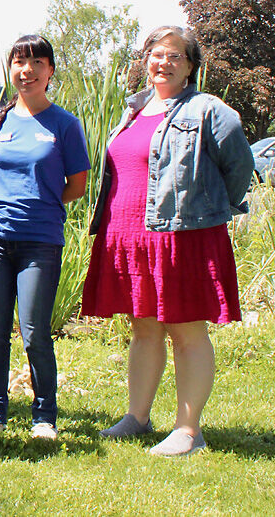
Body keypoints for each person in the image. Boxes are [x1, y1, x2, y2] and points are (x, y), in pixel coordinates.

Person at [81, 26, 253, 457]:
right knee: (143, 328)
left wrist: (210, 210)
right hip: (130, 235)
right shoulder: (134, 109)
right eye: (157, 54)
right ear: (146, 60)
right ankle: (137, 418)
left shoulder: (208, 110)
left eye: (175, 56)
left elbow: (239, 166)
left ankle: (189, 431)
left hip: (182, 238)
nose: (164, 63)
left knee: (186, 330)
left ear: (191, 65)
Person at [0, 35, 89, 442]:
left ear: (50, 71)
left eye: (36, 62)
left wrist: (40, 204)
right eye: (19, 62)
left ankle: (44, 417)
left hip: (40, 241)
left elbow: (77, 183)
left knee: (35, 330)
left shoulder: (65, 124)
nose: (27, 70)